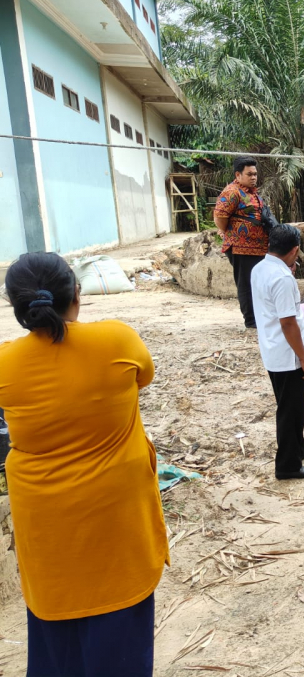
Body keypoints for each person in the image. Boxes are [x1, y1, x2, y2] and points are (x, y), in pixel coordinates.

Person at [0, 252, 168, 676]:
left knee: (57, 649)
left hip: (47, 537)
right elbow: (143, 376)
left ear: (18, 309)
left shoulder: (5, 364)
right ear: (77, 294)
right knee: (121, 649)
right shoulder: (117, 342)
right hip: (117, 533)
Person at [250, 224, 304, 480]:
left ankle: (298, 447)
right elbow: (288, 321)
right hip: (287, 353)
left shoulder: (260, 268)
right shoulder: (281, 278)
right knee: (288, 409)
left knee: (294, 405)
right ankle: (287, 465)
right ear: (294, 251)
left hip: (273, 348)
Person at [215, 156, 269, 329]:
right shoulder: (232, 192)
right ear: (238, 175)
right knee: (246, 284)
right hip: (240, 248)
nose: (253, 177)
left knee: (258, 283)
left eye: (255, 174)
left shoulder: (252, 193)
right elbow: (220, 217)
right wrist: (230, 233)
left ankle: (259, 317)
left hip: (258, 247)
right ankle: (250, 321)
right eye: (249, 174)